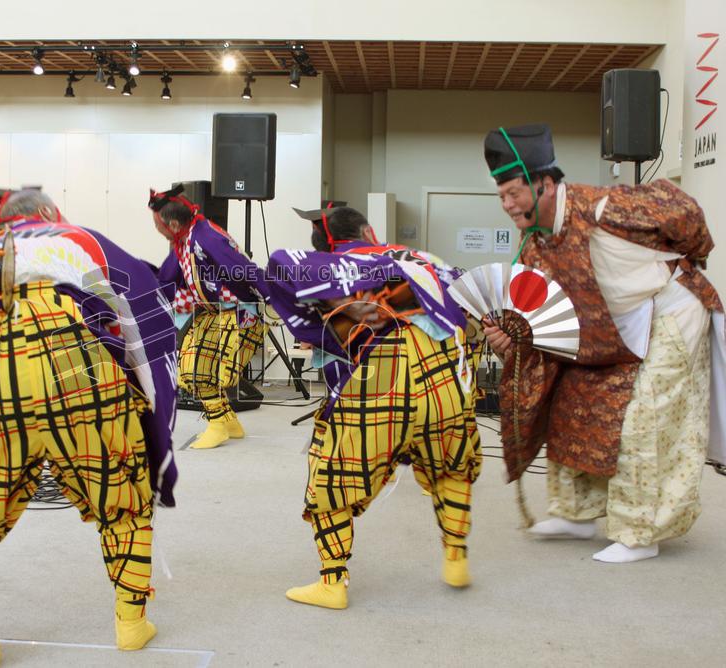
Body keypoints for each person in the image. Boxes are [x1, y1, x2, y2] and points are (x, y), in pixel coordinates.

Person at [0, 180, 178, 667]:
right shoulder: (82, 240)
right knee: (122, 500)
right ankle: (131, 623)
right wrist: (156, 417)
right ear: (49, 213)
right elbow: (143, 316)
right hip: (78, 369)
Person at [482, 123, 724, 563]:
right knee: (571, 403)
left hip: (668, 309)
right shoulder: (533, 244)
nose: (508, 205)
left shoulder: (604, 206)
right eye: (501, 197)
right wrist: (509, 337)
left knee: (643, 418)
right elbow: (537, 310)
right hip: (603, 328)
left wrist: (696, 257)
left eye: (514, 193)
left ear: (546, 184)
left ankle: (640, 533)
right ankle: (576, 514)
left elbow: (684, 212)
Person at [267, 205, 482, 608]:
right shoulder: (423, 260)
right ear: (368, 232)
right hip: (444, 376)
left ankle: (332, 583)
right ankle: (456, 559)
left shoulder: (334, 267)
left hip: (383, 378)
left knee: (332, 475)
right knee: (450, 465)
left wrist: (334, 313)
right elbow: (470, 306)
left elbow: (279, 264)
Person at [150, 185, 267, 449]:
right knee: (190, 368)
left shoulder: (207, 238)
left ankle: (217, 426)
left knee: (200, 371)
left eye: (158, 225)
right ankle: (228, 421)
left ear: (173, 224)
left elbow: (243, 269)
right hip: (213, 312)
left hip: (238, 313)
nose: (157, 230)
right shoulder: (185, 239)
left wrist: (275, 299)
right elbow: (167, 278)